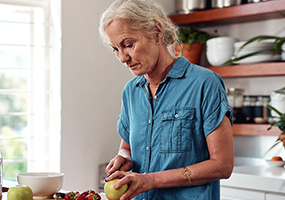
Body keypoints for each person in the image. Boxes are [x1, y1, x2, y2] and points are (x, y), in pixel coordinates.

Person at [98, 0, 234, 199]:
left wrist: (151, 180)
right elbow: (127, 147)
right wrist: (123, 158)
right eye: (115, 49)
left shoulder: (205, 83)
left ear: (156, 32)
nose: (122, 58)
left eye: (128, 45)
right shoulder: (131, 92)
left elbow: (222, 165)